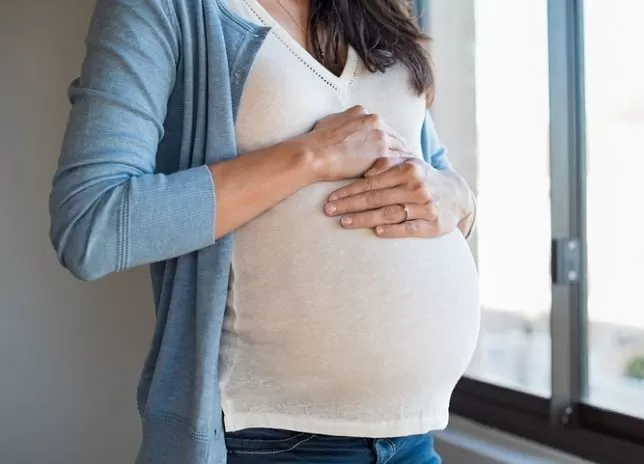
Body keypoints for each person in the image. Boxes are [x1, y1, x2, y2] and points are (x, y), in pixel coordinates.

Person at [49, 0, 480, 462]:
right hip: (274, 442)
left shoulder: (377, 10)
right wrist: (310, 157)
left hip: (413, 437)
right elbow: (91, 226)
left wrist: (459, 199)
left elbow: (432, 175)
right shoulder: (164, 10)